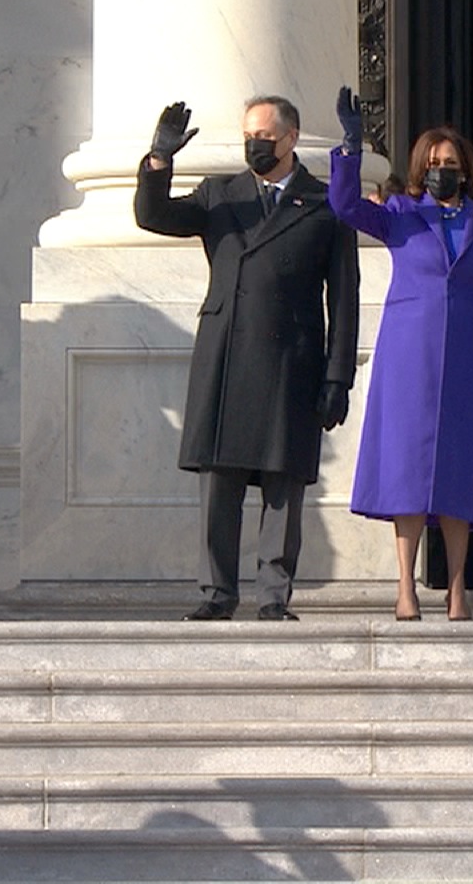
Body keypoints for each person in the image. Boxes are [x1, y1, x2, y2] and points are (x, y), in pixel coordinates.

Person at [135, 96, 360, 622]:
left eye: (264, 137)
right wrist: (159, 160)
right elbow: (154, 216)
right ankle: (217, 593)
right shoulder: (221, 195)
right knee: (220, 480)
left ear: (291, 138)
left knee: (284, 482)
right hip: (227, 355)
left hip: (291, 361)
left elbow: (344, 299)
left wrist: (338, 378)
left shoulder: (324, 204)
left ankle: (273, 597)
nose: (254, 145)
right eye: (248, 136)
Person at [329, 88, 473, 622]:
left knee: (460, 472)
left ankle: (458, 588)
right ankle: (406, 586)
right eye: (434, 164)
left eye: (451, 164)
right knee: (408, 472)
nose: (443, 171)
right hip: (408, 356)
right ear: (422, 169)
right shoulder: (400, 212)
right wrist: (351, 147)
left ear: (466, 171)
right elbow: (344, 206)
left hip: (465, 357)